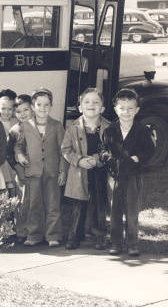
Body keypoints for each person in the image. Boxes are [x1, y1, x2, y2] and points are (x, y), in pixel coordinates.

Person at [100, 89, 154, 257]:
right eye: (122, 108)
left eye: (130, 108)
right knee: (115, 211)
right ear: (116, 109)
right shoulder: (110, 130)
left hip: (132, 176)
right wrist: (107, 157)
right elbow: (102, 150)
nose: (126, 112)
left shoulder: (142, 130)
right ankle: (116, 243)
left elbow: (149, 150)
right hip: (114, 177)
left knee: (131, 212)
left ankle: (132, 244)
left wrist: (138, 158)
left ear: (137, 110)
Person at [15, 88, 66, 247]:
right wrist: (20, 155)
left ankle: (53, 235)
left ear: (51, 106)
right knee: (33, 204)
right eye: (39, 104)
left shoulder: (57, 126)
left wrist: (63, 170)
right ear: (32, 106)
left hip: (52, 171)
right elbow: (19, 145)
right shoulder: (25, 126)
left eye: (46, 105)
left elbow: (63, 150)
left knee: (53, 204)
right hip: (33, 171)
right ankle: (34, 234)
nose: (42, 108)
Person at [61, 88, 110, 250]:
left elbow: (110, 149)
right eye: (87, 102)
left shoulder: (108, 127)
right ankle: (74, 235)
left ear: (102, 108)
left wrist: (97, 159)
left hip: (99, 171)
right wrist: (79, 160)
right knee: (78, 204)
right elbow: (66, 149)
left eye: (96, 102)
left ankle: (99, 235)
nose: (91, 105)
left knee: (98, 204)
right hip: (79, 171)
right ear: (80, 107)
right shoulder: (73, 127)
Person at [8, 94, 32, 243]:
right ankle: (21, 231)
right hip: (21, 173)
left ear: (33, 109)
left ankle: (35, 231)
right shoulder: (14, 130)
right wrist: (17, 167)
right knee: (21, 202)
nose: (22, 114)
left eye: (26, 110)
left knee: (36, 202)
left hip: (37, 171)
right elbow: (9, 153)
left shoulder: (40, 127)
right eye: (18, 111)